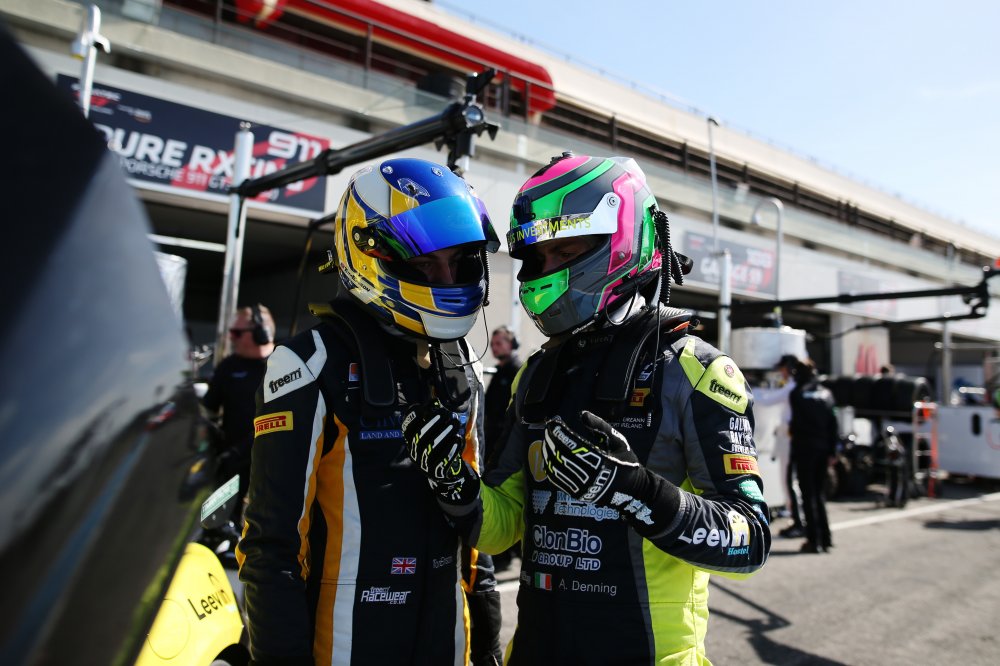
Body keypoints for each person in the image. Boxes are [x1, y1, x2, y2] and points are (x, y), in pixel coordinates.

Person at [402, 153, 771, 664]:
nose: (546, 269)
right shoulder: (536, 374)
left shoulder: (696, 371)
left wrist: (634, 490)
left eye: (566, 248)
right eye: (537, 256)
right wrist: (453, 481)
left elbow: (749, 541)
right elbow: (501, 528)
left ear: (621, 239)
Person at [235, 158, 502, 665]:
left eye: (458, 261)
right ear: (367, 252)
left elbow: (475, 534)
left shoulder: (462, 363)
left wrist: (488, 644)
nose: (446, 277)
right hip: (346, 644)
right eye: (425, 263)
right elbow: (271, 545)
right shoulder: (309, 362)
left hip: (446, 640)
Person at [202, 303, 276, 514]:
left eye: (236, 332)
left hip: (270, 464)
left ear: (261, 334)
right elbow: (208, 409)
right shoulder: (228, 366)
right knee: (215, 518)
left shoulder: (284, 365)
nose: (231, 337)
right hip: (230, 464)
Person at [482, 325, 523, 573]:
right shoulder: (500, 372)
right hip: (495, 445)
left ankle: (507, 556)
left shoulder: (517, 370)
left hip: (507, 450)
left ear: (512, 343)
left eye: (500, 342)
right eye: (493, 343)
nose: (495, 347)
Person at [787, 357, 839, 553]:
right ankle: (826, 538)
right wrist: (833, 451)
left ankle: (813, 541)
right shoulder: (827, 393)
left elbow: (795, 424)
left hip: (805, 449)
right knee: (819, 493)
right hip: (823, 449)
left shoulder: (797, 394)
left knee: (808, 495)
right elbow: (833, 423)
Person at [774, 354, 806, 538]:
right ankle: (798, 519)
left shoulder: (792, 387)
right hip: (791, 438)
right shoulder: (795, 386)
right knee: (791, 481)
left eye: (783, 368)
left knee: (789, 481)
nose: (781, 372)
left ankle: (798, 521)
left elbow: (769, 399)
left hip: (790, 439)